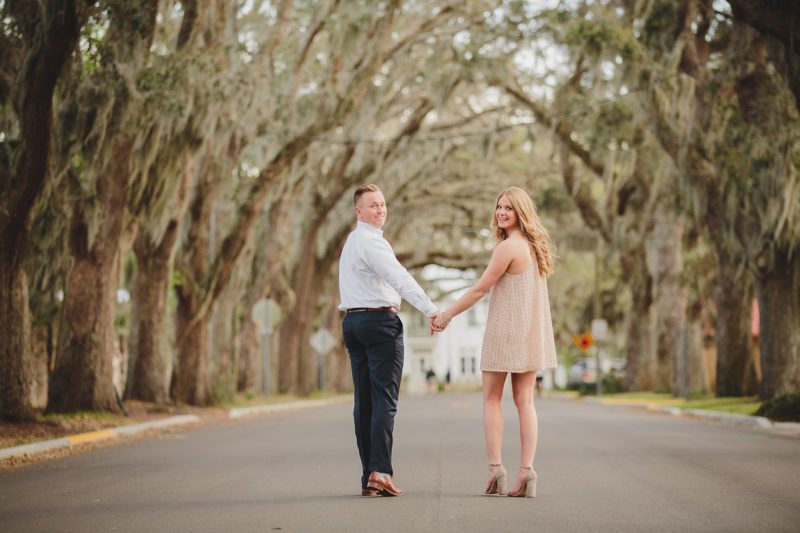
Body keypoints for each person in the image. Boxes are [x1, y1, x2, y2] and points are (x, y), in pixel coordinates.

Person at [433, 186, 557, 498]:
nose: (501, 212)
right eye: (499, 206)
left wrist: (446, 315)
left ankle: (495, 468)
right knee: (525, 402)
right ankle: (527, 472)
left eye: (509, 208)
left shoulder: (507, 248)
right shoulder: (535, 247)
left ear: (521, 213)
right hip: (531, 334)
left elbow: (479, 289)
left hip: (504, 333)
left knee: (491, 400)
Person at [339, 183, 445, 498]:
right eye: (373, 205)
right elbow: (399, 277)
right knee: (384, 401)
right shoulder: (372, 243)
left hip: (353, 322)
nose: (380, 210)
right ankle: (380, 472)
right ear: (359, 211)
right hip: (379, 323)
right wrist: (431, 310)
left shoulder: (352, 241)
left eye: (383, 204)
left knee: (365, 403)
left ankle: (368, 475)